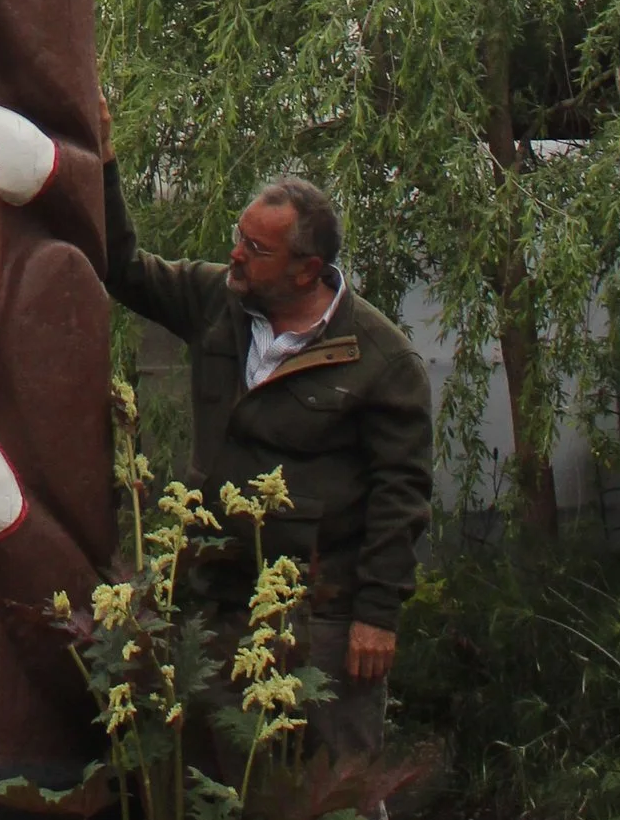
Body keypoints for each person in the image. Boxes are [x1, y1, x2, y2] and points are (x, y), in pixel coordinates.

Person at [101, 146, 433, 768]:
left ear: (307, 271)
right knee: (227, 784)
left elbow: (402, 496)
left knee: (335, 798)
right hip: (221, 601)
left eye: (257, 249)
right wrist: (104, 158)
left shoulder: (380, 361)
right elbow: (123, 269)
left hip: (323, 614)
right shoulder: (216, 303)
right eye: (239, 238)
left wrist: (378, 617)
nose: (236, 255)